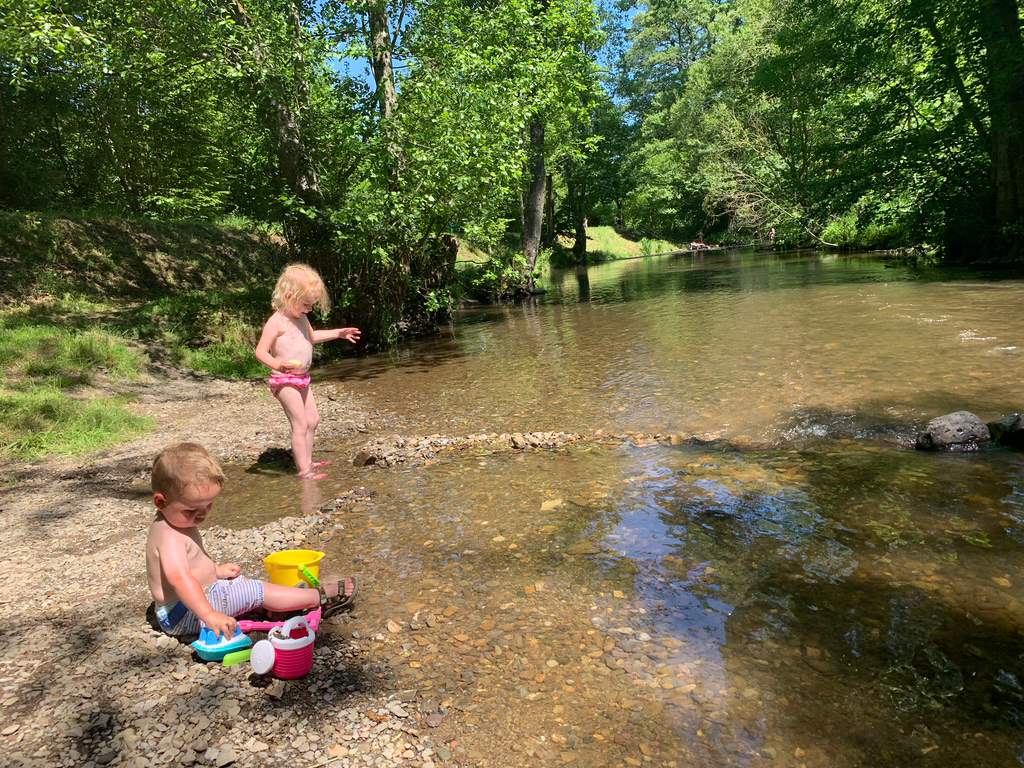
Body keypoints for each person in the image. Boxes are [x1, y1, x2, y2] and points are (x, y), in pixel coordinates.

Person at [146, 442, 358, 639]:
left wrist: (215, 570)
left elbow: (191, 562)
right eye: (192, 509)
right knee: (253, 590)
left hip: (185, 606)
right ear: (161, 502)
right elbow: (180, 580)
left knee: (240, 584)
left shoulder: (176, 521)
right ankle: (318, 596)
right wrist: (209, 615)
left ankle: (274, 607)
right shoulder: (169, 536)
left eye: (208, 506)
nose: (201, 515)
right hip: (182, 615)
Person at [255, 263, 360, 480]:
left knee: (313, 420)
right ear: (290, 296)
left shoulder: (301, 317)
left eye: (311, 305)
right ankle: (304, 471)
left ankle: (308, 460)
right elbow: (260, 351)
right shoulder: (277, 322)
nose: (309, 309)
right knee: (300, 424)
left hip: (302, 378)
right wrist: (278, 365)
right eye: (306, 304)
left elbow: (311, 337)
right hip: (284, 379)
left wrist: (338, 333)